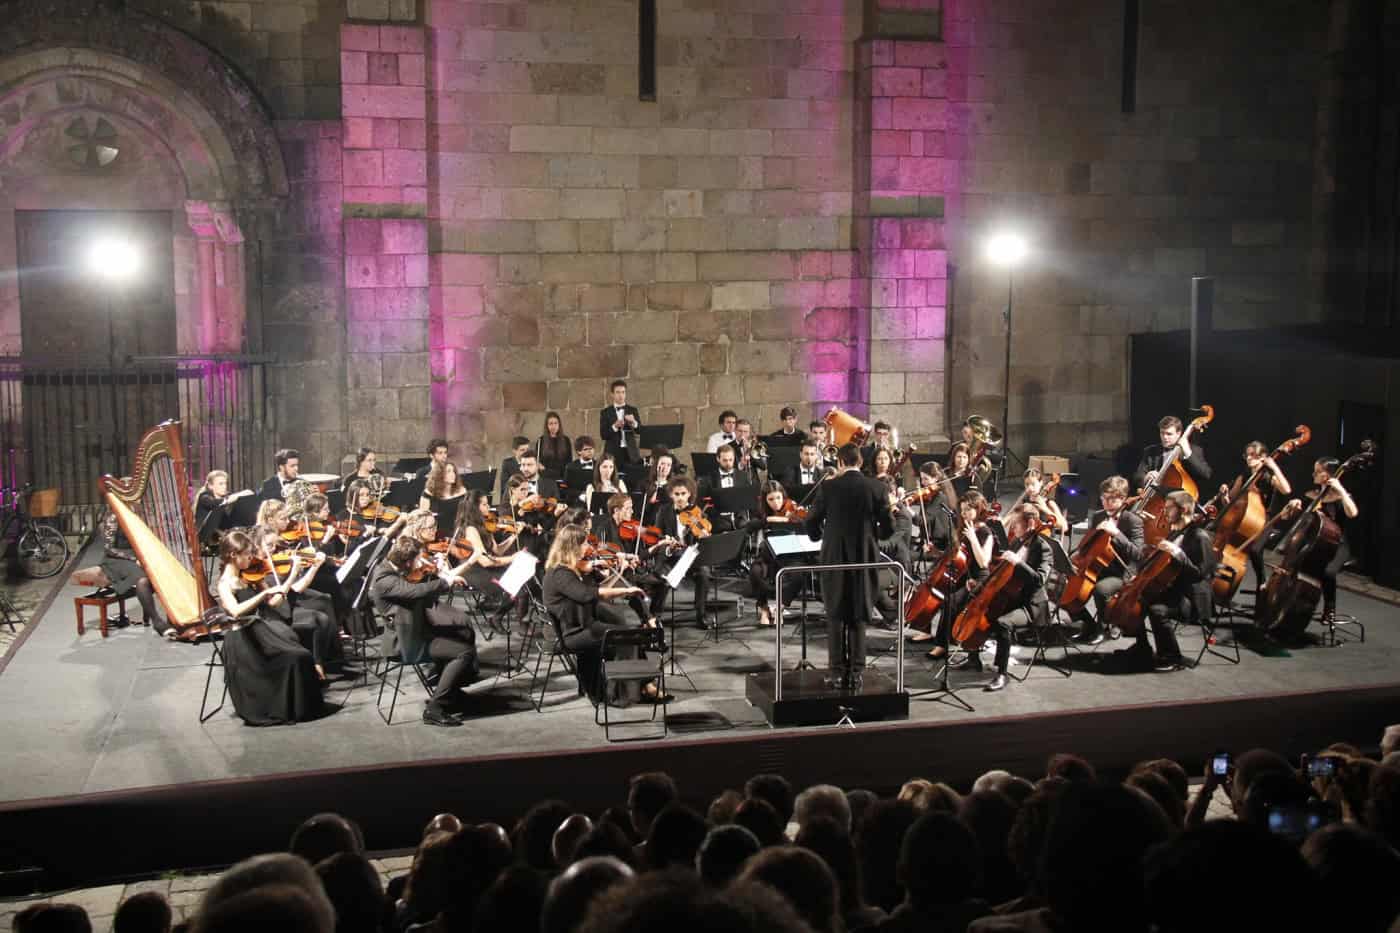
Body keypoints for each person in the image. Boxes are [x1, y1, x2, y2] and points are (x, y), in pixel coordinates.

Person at [542, 525, 668, 705]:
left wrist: (620, 579)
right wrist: (625, 590)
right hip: (572, 634)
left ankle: (641, 685)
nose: (588, 547)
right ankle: (622, 692)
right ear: (572, 546)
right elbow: (587, 594)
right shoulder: (560, 574)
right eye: (584, 543)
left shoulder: (569, 570)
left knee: (629, 632)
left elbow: (597, 591)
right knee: (626, 635)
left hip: (584, 626)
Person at [803, 444, 892, 690]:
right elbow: (889, 527)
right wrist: (875, 533)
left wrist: (819, 535)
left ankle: (836, 672)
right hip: (864, 555)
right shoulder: (877, 487)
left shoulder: (828, 487)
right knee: (859, 611)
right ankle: (856, 673)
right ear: (860, 462)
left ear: (840, 462)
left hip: (834, 555)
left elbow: (811, 521)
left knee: (835, 611)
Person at [214, 530, 325, 725]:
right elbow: (235, 611)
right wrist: (262, 595)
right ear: (233, 555)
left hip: (258, 631)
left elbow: (274, 603)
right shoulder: (225, 583)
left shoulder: (246, 576)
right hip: (243, 642)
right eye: (247, 554)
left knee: (302, 655)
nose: (251, 558)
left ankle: (299, 707)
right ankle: (289, 708)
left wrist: (290, 576)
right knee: (296, 657)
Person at [369, 535, 478, 726]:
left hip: (417, 627)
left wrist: (439, 574)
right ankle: (435, 708)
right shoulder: (384, 578)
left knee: (464, 632)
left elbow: (418, 590)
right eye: (418, 559)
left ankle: (449, 692)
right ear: (407, 561)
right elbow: (415, 592)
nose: (420, 563)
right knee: (464, 651)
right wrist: (446, 582)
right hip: (406, 642)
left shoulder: (394, 569)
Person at [948, 503, 1052, 692]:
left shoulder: (1043, 548)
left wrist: (1019, 562)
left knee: (1003, 623)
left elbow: (1039, 580)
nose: (1012, 528)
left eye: (1016, 524)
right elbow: (998, 574)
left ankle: (1002, 674)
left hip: (1030, 605)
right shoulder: (1017, 543)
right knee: (976, 603)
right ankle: (973, 659)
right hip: (1011, 598)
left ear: (1030, 523)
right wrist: (979, 587)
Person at [1121, 489, 1213, 672]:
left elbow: (1200, 575)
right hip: (1171, 590)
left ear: (1183, 510)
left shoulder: (1200, 537)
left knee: (1157, 610)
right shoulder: (1175, 533)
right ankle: (1142, 647)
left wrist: (1179, 554)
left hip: (1191, 597)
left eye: (1169, 508)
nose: (1165, 512)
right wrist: (1141, 576)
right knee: (1135, 600)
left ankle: (1172, 657)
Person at [1274, 456, 1359, 625]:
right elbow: (1286, 517)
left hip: (1337, 544)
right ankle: (1289, 603)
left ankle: (1329, 609)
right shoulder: (1312, 495)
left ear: (1327, 475)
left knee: (1328, 572)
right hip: (1312, 544)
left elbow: (1353, 513)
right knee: (1295, 566)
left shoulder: (1341, 497)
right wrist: (1291, 508)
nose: (1313, 474)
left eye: (1317, 471)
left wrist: (1341, 490)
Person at [1070, 475, 1144, 645]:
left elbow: (1138, 554)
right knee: (1065, 583)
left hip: (1121, 572)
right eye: (1104, 498)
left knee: (1101, 589)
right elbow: (1087, 545)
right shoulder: (1098, 516)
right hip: (1095, 567)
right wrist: (1075, 557)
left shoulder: (1132, 520)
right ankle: (1088, 624)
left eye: (1112, 499)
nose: (1107, 503)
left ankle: (1104, 627)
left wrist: (1116, 533)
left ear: (1123, 499)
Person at [927, 490, 996, 660]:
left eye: (968, 510)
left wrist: (973, 539)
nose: (964, 514)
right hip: (965, 574)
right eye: (963, 510)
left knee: (951, 601)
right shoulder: (965, 528)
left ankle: (942, 645)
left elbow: (983, 562)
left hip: (979, 578)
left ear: (979, 509)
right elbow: (956, 556)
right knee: (942, 594)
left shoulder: (986, 532)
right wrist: (936, 552)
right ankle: (935, 634)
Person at [1215, 440, 1292, 592]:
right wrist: (1224, 495)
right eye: (1247, 455)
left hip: (1265, 519)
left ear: (1263, 457)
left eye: (1253, 455)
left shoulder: (1268, 477)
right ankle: (1222, 585)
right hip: (1244, 518)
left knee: (1255, 550)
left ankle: (1262, 582)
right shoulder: (1244, 476)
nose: (1249, 458)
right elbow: (1230, 503)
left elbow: (1286, 490)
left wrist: (1274, 467)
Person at [650, 476, 715, 629]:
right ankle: (654, 616)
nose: (680, 498)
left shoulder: (697, 512)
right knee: (663, 577)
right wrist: (667, 541)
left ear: (689, 494)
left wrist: (704, 536)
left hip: (690, 556)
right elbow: (656, 534)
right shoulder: (664, 511)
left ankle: (701, 614)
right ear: (671, 494)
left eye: (683, 494)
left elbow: (703, 535)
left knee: (704, 573)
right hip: (670, 555)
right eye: (676, 494)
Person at [746, 481, 808, 628]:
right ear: (765, 500)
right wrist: (767, 519)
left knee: (798, 575)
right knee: (755, 572)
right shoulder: (761, 511)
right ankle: (764, 609)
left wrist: (788, 519)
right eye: (771, 499)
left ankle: (780, 608)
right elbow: (749, 526)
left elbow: (805, 522)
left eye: (779, 498)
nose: (776, 503)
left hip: (790, 553)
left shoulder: (792, 507)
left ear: (783, 496)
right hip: (768, 554)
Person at [97, 512, 166, 635]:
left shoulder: (137, 513)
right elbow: (109, 549)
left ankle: (172, 619)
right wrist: (133, 559)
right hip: (116, 559)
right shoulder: (113, 517)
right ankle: (157, 621)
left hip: (136, 555)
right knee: (143, 580)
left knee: (160, 572)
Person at [1134, 414, 1211, 493]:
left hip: (1183, 496)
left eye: (1169, 434)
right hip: (1157, 496)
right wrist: (1146, 477)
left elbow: (1206, 474)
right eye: (1162, 433)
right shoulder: (1151, 451)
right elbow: (1137, 476)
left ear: (1179, 433)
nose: (1164, 437)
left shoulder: (1194, 450)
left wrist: (1187, 452)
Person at [195, 469, 252, 540]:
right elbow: (216, 503)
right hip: (203, 540)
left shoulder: (227, 496)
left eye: (225, 483)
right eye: (221, 484)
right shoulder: (204, 497)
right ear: (210, 486)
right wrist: (238, 495)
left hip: (219, 537)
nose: (224, 486)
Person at [599, 379, 642, 464]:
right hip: (612, 452)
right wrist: (615, 426)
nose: (621, 395)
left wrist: (634, 422)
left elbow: (640, 431)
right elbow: (603, 435)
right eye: (618, 392)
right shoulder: (605, 412)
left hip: (631, 452)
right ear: (612, 394)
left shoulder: (633, 410)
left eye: (623, 392)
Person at [538, 411, 573, 476]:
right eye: (550, 423)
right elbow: (538, 461)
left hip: (562, 476)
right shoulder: (541, 440)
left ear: (559, 424)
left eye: (555, 423)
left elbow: (569, 462)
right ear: (547, 426)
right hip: (545, 476)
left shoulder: (566, 440)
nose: (553, 426)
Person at [499, 435, 531, 501]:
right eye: (522, 450)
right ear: (514, 451)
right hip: (513, 499)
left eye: (527, 450)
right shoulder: (507, 463)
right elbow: (505, 486)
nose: (526, 453)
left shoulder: (533, 463)